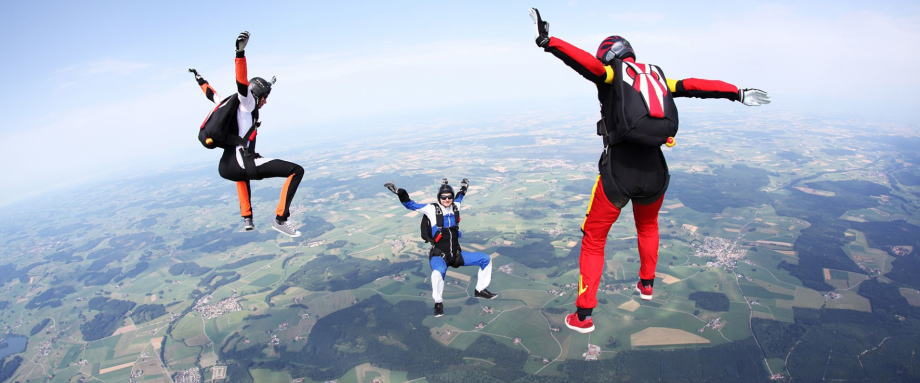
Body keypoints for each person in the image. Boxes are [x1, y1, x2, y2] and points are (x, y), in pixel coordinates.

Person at [529, 8, 770, 333]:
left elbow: (586, 65)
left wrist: (549, 41)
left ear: (610, 56)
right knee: (648, 226)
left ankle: (583, 316)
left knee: (594, 240)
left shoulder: (613, 74)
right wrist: (736, 93)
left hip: (619, 171)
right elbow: (695, 85)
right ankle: (646, 285)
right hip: (656, 169)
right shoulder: (656, 79)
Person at [190, 31, 304, 237]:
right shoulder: (247, 103)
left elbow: (211, 95)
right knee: (296, 170)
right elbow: (242, 85)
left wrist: (200, 79)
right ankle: (281, 219)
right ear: (258, 96)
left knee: (243, 173)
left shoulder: (229, 103)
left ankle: (247, 217)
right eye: (265, 98)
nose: (266, 102)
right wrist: (240, 54)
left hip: (227, 166)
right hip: (239, 164)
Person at [384, 179, 498, 317]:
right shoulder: (432, 209)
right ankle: (438, 303)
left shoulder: (455, 206)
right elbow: (411, 205)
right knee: (438, 273)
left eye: (449, 196)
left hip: (456, 255)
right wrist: (399, 192)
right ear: (439, 198)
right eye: (443, 197)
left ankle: (480, 290)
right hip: (440, 256)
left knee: (486, 259)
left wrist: (464, 188)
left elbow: (460, 197)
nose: (447, 199)